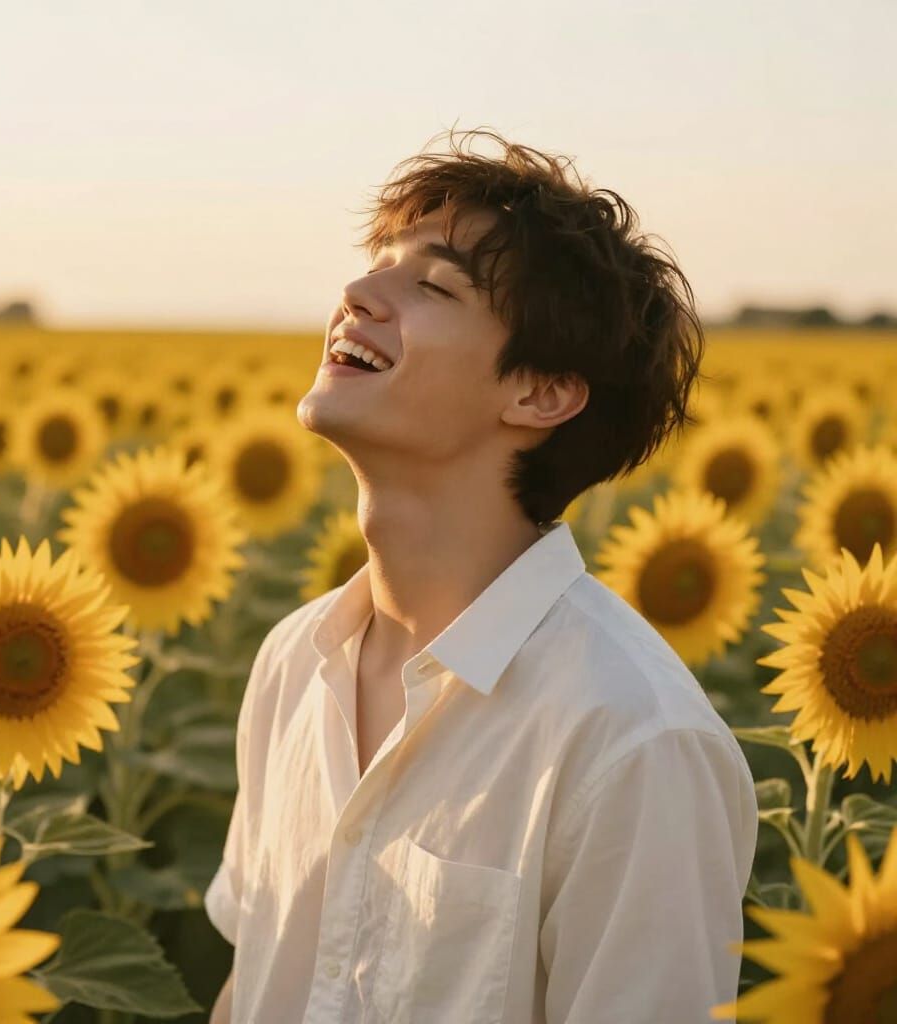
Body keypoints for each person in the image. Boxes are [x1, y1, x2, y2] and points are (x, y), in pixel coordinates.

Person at [205, 126, 758, 1024]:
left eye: (429, 284)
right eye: (374, 263)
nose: (354, 294)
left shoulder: (632, 742)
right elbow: (256, 982)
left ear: (540, 393)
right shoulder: (291, 663)